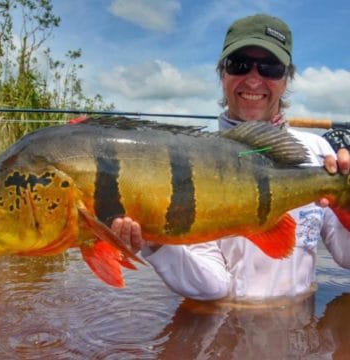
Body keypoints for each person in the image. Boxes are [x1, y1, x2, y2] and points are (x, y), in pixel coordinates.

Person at [111, 14, 350, 302]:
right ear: (222, 74)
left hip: (298, 329)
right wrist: (156, 243)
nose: (253, 79)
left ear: (286, 80)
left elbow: (346, 257)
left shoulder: (320, 155)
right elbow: (213, 287)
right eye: (239, 65)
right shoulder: (191, 163)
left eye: (270, 68)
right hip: (220, 323)